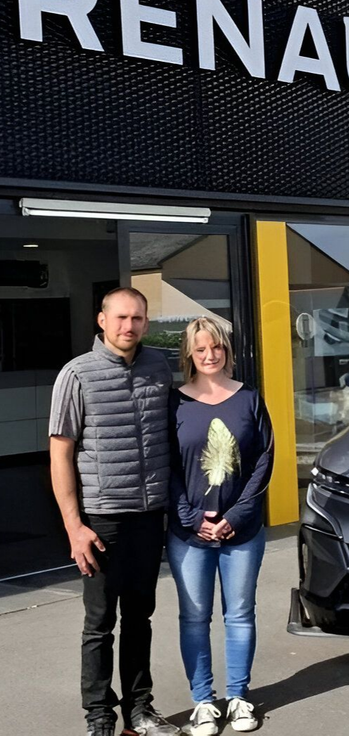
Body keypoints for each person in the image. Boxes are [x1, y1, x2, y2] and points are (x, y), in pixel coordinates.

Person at [49, 286, 180, 736]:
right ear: (101, 321)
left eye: (138, 318)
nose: (129, 326)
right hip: (101, 519)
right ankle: (100, 716)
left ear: (146, 322)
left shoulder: (159, 367)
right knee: (100, 623)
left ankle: (140, 711)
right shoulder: (76, 375)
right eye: (121, 317)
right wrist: (74, 526)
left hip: (149, 516)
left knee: (140, 618)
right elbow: (60, 453)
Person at [167, 316, 274, 735]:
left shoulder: (248, 398)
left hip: (241, 532)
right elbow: (167, 468)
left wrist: (235, 517)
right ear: (189, 355)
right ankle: (203, 702)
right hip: (188, 534)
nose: (210, 355)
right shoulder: (175, 402)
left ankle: (239, 697)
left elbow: (264, 460)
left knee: (240, 615)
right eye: (200, 349)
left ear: (227, 351)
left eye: (217, 348)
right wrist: (194, 518)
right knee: (193, 617)